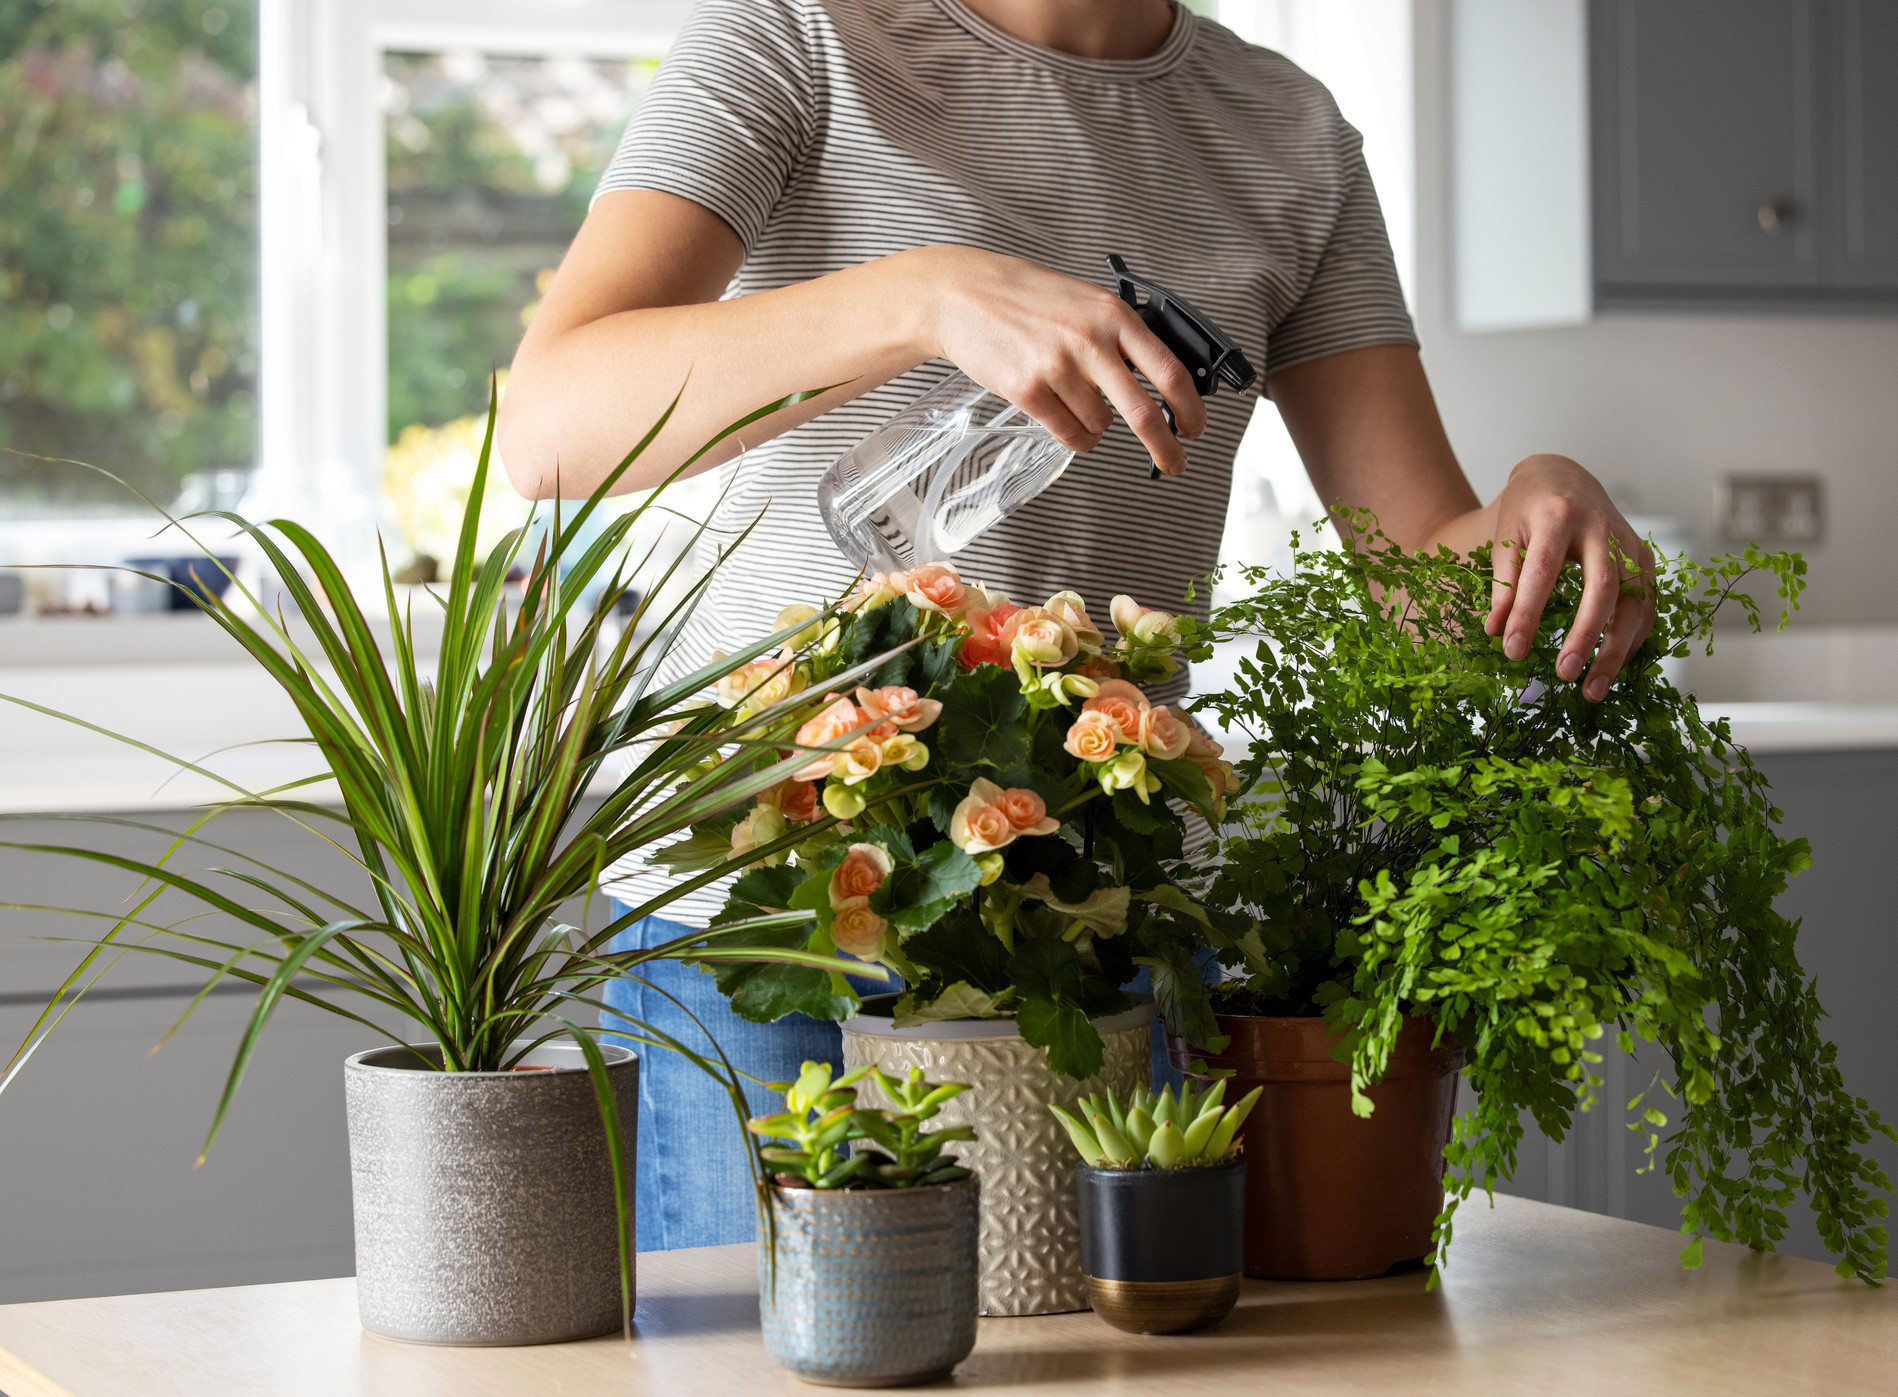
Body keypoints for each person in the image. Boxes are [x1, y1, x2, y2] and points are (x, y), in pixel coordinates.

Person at [503, 0, 1656, 1250]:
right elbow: (552, 426)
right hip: (773, 922)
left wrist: (1537, 505)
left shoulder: (1289, 134)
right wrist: (927, 295)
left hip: (1090, 924)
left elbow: (1419, 586)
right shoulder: (798, 36)